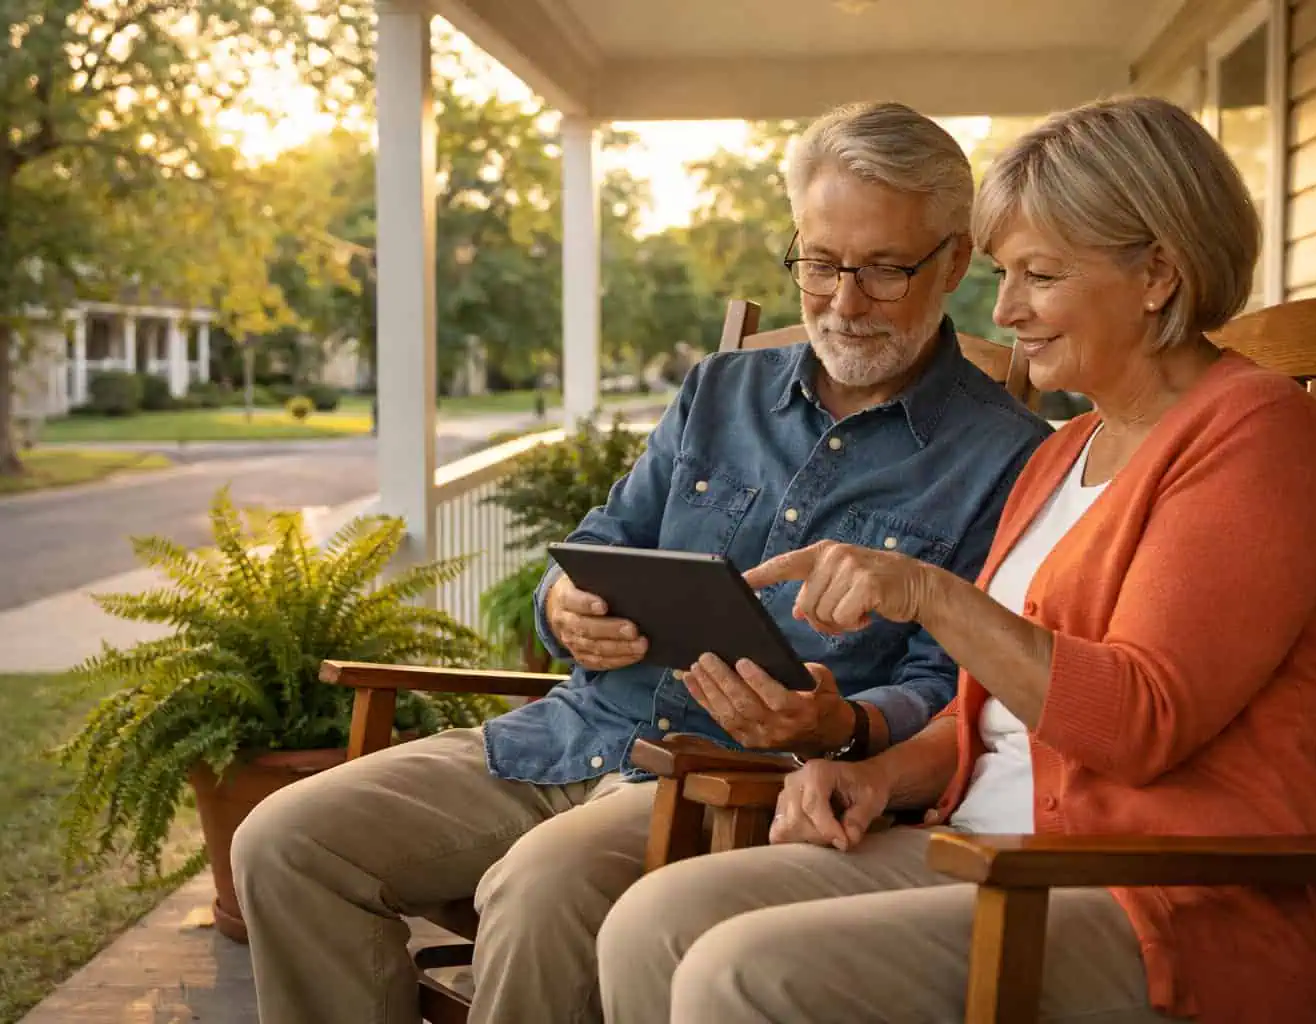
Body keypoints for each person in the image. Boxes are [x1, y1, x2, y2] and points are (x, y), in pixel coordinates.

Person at [230, 100, 1051, 1024]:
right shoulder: (716, 391)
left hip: (736, 786)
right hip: (575, 731)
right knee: (285, 841)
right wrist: (564, 603)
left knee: (539, 894)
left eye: (883, 270)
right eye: (819, 264)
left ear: (949, 262)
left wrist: (842, 721)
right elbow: (600, 544)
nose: (844, 302)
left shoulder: (1008, 456)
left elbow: (954, 689)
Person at [596, 95, 1316, 1024]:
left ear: (1157, 275)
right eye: (1005, 274)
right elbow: (1000, 718)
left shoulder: (1254, 437)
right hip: (994, 852)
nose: (1005, 312)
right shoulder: (1065, 451)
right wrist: (878, 773)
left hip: (1174, 901)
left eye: (1039, 276)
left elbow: (1135, 724)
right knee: (654, 920)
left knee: (740, 972)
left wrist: (929, 594)